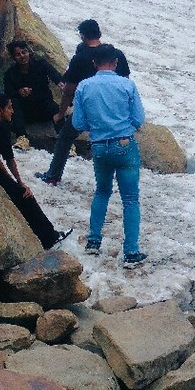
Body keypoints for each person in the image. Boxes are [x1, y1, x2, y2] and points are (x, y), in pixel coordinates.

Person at [71, 44, 147, 267]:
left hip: (99, 146)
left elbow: (78, 123)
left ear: (94, 63)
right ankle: (131, 252)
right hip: (124, 144)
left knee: (102, 192)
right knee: (130, 199)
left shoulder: (84, 86)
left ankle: (93, 242)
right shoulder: (127, 85)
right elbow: (138, 119)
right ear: (115, 62)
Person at [0, 93, 69, 249]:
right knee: (26, 197)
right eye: (9, 108)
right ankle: (49, 237)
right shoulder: (0, 127)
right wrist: (20, 183)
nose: (12, 111)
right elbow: (9, 159)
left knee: (18, 195)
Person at [36, 19, 131, 186]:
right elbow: (126, 84)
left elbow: (68, 90)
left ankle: (53, 175)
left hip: (88, 110)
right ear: (99, 34)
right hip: (114, 111)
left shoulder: (80, 58)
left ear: (82, 36)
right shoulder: (118, 55)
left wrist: (60, 113)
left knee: (65, 137)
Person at [3, 40, 63, 149]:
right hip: (25, 112)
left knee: (54, 107)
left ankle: (66, 142)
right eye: (18, 54)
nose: (22, 56)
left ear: (28, 52)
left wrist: (61, 84)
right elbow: (8, 94)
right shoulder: (10, 74)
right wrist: (19, 92)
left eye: (24, 52)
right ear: (13, 57)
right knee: (14, 103)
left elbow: (56, 76)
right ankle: (22, 139)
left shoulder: (41, 64)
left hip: (43, 106)